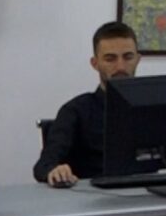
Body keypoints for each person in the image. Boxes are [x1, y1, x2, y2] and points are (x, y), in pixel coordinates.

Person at [32, 21, 139, 186]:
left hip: (151, 195)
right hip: (93, 196)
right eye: (110, 59)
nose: (120, 66)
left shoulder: (156, 108)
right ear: (95, 64)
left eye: (128, 57)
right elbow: (43, 166)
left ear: (138, 59)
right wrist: (55, 170)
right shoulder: (75, 111)